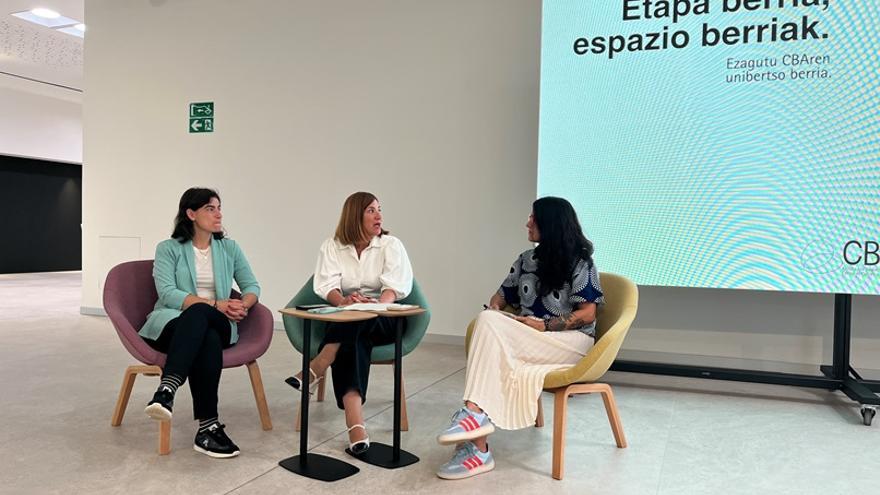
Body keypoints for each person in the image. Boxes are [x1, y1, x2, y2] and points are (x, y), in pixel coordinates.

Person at [435, 197, 604, 480]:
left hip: (570, 342)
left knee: (490, 331)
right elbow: (501, 295)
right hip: (530, 337)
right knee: (488, 320)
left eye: (533, 218)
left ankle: (475, 434)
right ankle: (476, 437)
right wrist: (496, 307)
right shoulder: (526, 259)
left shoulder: (580, 261)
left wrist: (544, 326)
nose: (527, 223)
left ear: (550, 223)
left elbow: (588, 314)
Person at [286, 191, 413, 455]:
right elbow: (326, 285)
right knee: (352, 339)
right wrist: (345, 302)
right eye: (371, 210)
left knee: (355, 322)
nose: (379, 216)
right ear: (355, 215)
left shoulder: (391, 245)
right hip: (347, 320)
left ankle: (320, 363)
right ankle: (356, 426)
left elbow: (395, 287)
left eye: (379, 209)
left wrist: (374, 305)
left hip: (385, 319)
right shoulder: (332, 246)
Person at [140, 187, 261, 458]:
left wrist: (243, 304)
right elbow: (167, 293)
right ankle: (208, 428)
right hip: (173, 322)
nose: (218, 214)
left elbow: (252, 286)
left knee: (201, 317)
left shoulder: (229, 248)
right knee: (205, 333)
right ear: (191, 214)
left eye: (219, 208)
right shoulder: (168, 248)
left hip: (220, 321)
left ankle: (167, 389)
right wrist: (215, 304)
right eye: (210, 208)